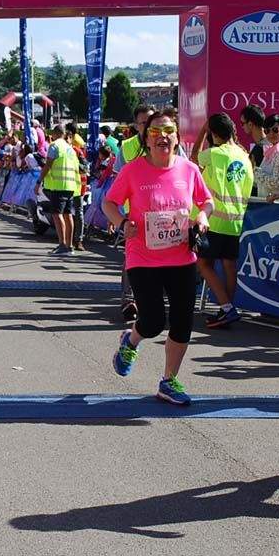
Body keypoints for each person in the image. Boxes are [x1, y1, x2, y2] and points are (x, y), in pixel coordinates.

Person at [104, 108, 213, 405]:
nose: (163, 137)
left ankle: (169, 381)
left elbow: (207, 201)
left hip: (181, 257)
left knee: (181, 322)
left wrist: (202, 217)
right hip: (143, 256)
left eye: (168, 131)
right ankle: (131, 341)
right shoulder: (133, 170)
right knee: (152, 321)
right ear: (147, 139)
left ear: (177, 138)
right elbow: (109, 203)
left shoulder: (188, 170)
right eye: (155, 132)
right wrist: (124, 223)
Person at [191, 113, 253, 328]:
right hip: (235, 220)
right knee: (229, 265)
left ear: (214, 133)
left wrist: (201, 132)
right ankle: (226, 309)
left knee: (203, 263)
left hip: (214, 219)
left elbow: (193, 159)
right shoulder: (244, 155)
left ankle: (227, 308)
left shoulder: (214, 154)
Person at [37, 123, 83, 256]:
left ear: (56, 133)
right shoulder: (70, 149)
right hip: (71, 186)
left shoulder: (55, 145)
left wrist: (39, 181)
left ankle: (62, 245)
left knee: (57, 214)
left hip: (59, 185)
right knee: (68, 214)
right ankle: (69, 246)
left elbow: (48, 165)